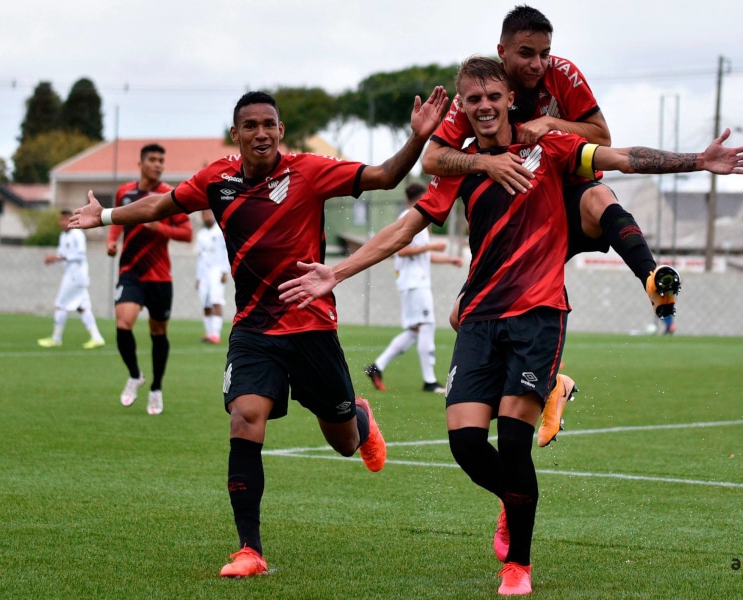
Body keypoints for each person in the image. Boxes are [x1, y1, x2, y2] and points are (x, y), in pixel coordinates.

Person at [279, 57, 743, 596]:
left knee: (512, 440)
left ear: (511, 99)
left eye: (492, 96)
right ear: (462, 106)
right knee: (463, 444)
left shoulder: (551, 148)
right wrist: (337, 272)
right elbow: (404, 227)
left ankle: (519, 567)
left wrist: (699, 160)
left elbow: (621, 157)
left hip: (537, 315)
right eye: (473, 99)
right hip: (480, 319)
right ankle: (514, 499)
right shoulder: (457, 168)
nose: (483, 106)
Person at [70, 87, 449, 578]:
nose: (261, 133)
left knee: (342, 442)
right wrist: (102, 216)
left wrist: (416, 139)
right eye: (250, 125)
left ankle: (359, 417)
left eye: (269, 124)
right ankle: (250, 549)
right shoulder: (217, 179)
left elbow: (385, 176)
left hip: (311, 326)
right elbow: (159, 207)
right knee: (245, 418)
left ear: (280, 131)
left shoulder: (309, 170)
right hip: (253, 329)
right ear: (237, 134)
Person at [422, 5, 680, 324]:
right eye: (527, 53)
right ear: (502, 51)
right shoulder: (482, 92)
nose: (538, 64)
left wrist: (550, 122)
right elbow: (432, 159)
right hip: (519, 215)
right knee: (460, 318)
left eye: (545, 53)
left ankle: (652, 280)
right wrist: (485, 164)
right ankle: (548, 378)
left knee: (600, 196)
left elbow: (603, 138)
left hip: (569, 201)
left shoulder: (562, 73)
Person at [106, 144, 193, 415]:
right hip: (130, 271)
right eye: (153, 160)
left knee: (158, 333)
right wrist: (111, 241)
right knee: (123, 323)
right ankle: (135, 375)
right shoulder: (125, 192)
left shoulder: (169, 195)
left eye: (161, 160)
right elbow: (118, 221)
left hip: (159, 276)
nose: (157, 164)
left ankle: (156, 388)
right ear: (141, 163)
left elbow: (187, 233)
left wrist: (159, 227)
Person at [364, 182, 463, 394]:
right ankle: (429, 381)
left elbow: (421, 254)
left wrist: (448, 260)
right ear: (419, 198)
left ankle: (377, 367)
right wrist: (432, 245)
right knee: (427, 325)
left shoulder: (417, 218)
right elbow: (402, 251)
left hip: (413, 281)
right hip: (413, 282)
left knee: (415, 331)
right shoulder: (410, 217)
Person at [37, 210, 106, 349]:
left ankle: (56, 338)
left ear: (72, 220)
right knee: (83, 308)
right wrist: (53, 260)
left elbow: (80, 255)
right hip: (72, 275)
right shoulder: (63, 236)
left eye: (65, 219)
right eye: (60, 220)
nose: (62, 222)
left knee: (61, 305)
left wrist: (58, 258)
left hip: (76, 276)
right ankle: (97, 338)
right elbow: (63, 256)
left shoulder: (77, 235)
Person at [195, 209, 231, 344]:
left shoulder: (220, 232)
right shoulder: (201, 235)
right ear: (202, 217)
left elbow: (226, 252)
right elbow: (200, 257)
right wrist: (198, 277)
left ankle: (216, 334)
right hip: (204, 273)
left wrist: (224, 271)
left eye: (210, 214)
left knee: (216, 301)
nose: (208, 216)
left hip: (217, 271)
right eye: (206, 214)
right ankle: (209, 333)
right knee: (205, 303)